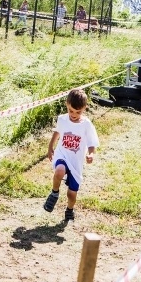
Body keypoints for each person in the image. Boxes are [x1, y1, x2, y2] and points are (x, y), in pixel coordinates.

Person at [43, 89, 99, 223]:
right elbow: (57, 133)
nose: (73, 115)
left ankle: (69, 209)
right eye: (71, 110)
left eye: (78, 112)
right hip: (62, 154)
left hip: (76, 162)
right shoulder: (62, 119)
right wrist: (51, 147)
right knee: (59, 171)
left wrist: (90, 154)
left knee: (71, 194)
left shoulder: (86, 125)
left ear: (85, 108)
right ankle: (54, 193)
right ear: (66, 104)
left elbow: (92, 143)